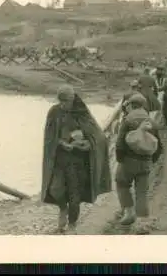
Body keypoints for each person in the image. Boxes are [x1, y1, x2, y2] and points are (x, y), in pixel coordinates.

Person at [41, 85, 112, 234]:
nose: (63, 105)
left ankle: (72, 224)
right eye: (60, 102)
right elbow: (49, 136)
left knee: (75, 194)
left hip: (78, 162)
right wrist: (61, 143)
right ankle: (62, 208)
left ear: (72, 99)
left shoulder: (81, 113)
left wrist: (86, 145)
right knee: (55, 189)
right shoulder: (54, 112)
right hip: (59, 159)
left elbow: (98, 137)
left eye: (65, 102)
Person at [114, 93, 160, 234]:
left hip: (128, 161)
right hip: (145, 163)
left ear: (131, 105)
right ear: (143, 105)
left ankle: (129, 213)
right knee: (142, 192)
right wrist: (151, 161)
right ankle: (143, 222)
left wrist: (120, 160)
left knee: (121, 183)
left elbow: (120, 144)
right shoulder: (151, 122)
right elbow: (159, 146)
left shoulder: (127, 120)